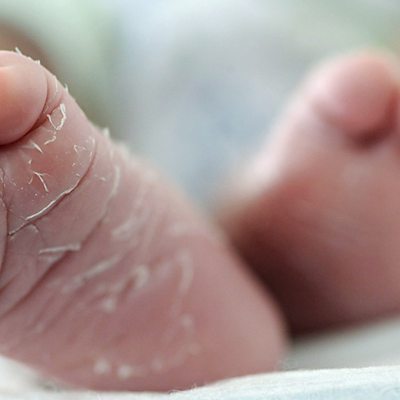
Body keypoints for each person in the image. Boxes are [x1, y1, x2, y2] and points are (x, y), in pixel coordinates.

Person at [0, 2, 400, 394]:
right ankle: (253, 263)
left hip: (153, 101)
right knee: (42, 54)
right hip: (126, 88)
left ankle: (201, 270)